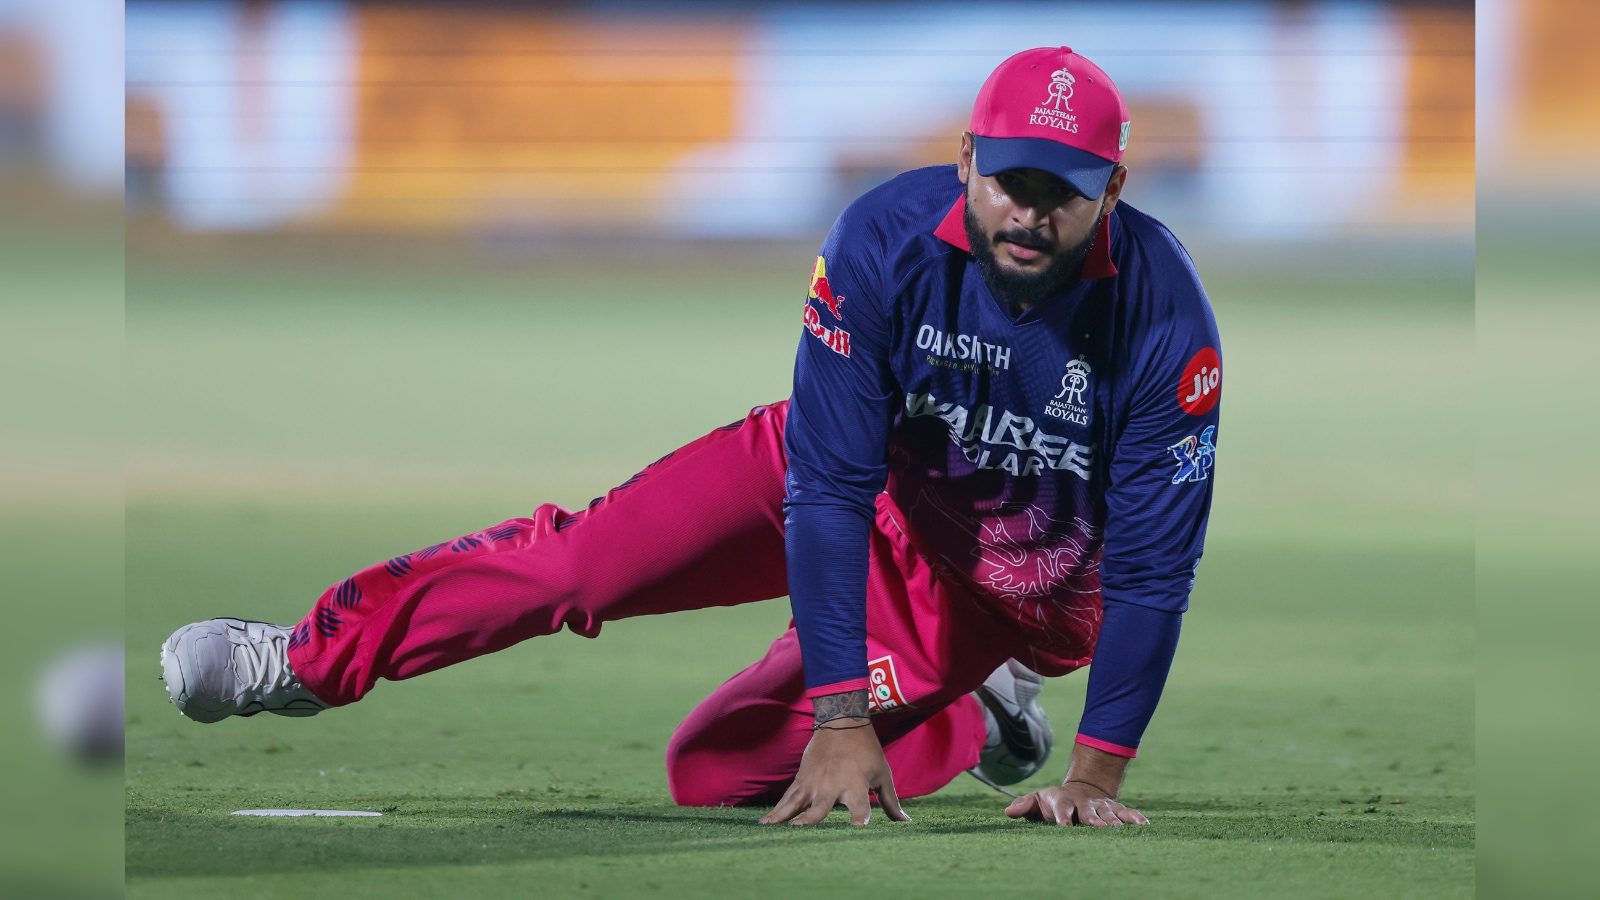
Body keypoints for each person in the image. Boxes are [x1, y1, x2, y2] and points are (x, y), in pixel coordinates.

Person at [159, 46, 1221, 829]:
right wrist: (842, 712)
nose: (1027, 216)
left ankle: (979, 716)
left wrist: (1093, 778)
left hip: (992, 583)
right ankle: (302, 657)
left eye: (1060, 195)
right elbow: (831, 489)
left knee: (711, 773)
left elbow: (1151, 573)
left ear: (1113, 191)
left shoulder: (1163, 321)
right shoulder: (882, 241)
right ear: (964, 159)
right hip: (842, 471)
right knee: (576, 562)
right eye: (1007, 182)